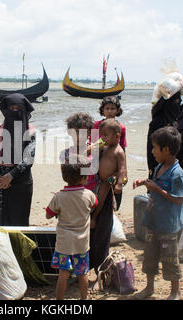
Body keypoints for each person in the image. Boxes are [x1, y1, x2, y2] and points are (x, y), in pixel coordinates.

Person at [133, 126, 183, 300]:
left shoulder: (177, 174)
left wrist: (157, 189)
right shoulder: (160, 166)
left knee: (170, 259)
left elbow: (178, 199)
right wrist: (144, 182)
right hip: (154, 221)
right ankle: (149, 288)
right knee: (150, 256)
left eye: (155, 147)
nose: (152, 151)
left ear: (166, 149)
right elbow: (155, 183)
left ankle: (175, 292)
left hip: (169, 225)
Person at [46, 154, 98, 300]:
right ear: (83, 178)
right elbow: (95, 205)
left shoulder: (59, 196)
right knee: (83, 273)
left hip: (64, 244)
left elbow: (48, 214)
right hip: (82, 243)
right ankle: (83, 299)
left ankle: (59, 300)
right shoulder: (89, 195)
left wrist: (58, 212)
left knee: (63, 274)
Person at [89, 119, 127, 273]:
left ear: (117, 136)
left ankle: (94, 218)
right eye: (101, 134)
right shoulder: (103, 147)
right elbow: (87, 154)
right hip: (96, 182)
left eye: (106, 135)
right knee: (97, 197)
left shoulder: (118, 151)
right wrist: (96, 145)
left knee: (103, 195)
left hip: (108, 182)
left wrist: (118, 183)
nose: (102, 138)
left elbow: (123, 170)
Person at [0, 93, 36, 226]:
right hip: (3, 183)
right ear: (6, 110)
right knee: (3, 221)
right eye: (12, 108)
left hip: (22, 182)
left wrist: (11, 176)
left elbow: (29, 158)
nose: (15, 111)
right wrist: (2, 178)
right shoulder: (0, 129)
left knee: (20, 221)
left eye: (19, 108)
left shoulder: (30, 131)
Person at [146, 78, 183, 178]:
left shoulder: (177, 116)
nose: (180, 102)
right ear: (168, 102)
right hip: (161, 171)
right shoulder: (158, 121)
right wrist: (153, 172)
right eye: (177, 99)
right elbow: (151, 151)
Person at [92, 95, 126, 210]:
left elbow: (122, 149)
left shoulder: (121, 127)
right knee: (98, 194)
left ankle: (113, 211)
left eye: (112, 109)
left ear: (117, 110)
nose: (110, 111)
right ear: (102, 110)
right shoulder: (96, 125)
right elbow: (93, 147)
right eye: (107, 109)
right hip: (99, 163)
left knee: (114, 188)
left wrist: (123, 172)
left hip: (114, 165)